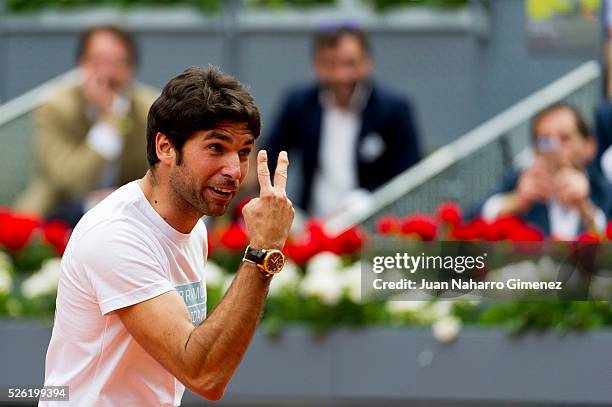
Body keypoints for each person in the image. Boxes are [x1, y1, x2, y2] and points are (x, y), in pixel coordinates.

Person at [40, 67, 294, 406]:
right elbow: (203, 372)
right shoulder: (115, 236)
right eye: (216, 147)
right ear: (165, 147)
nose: (235, 170)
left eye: (244, 151)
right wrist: (262, 253)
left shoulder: (195, 229)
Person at [264, 25, 421, 218]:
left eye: (349, 64)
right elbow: (270, 157)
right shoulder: (300, 104)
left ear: (367, 62)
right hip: (313, 225)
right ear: (317, 65)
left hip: (374, 225)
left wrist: (366, 199)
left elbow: (411, 174)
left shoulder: (393, 109)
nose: (341, 75)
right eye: (330, 64)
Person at [14, 25, 157, 226]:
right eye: (97, 61)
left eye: (117, 63)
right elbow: (68, 184)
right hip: (59, 210)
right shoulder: (56, 106)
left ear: (131, 70)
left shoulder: (150, 110)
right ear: (81, 64)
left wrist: (118, 196)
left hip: (130, 213)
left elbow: (158, 176)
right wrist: (108, 120)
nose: (106, 73)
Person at [481, 103, 612, 239]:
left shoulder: (603, 188)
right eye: (545, 141)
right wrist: (516, 201)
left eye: (565, 138)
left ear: (589, 146)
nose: (555, 149)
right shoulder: (518, 182)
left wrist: (585, 208)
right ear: (535, 149)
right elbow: (469, 221)